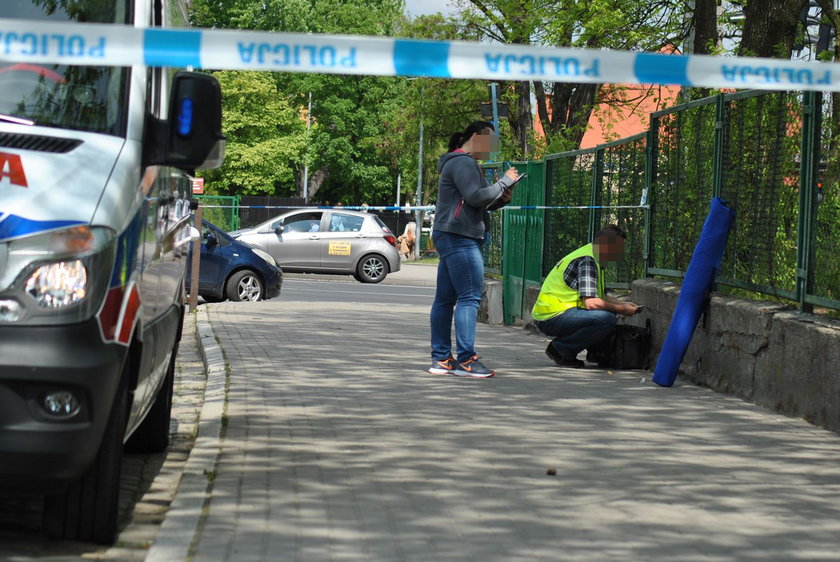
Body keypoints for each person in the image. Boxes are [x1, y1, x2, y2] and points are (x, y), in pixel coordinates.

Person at [428, 121, 519, 378]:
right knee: (469, 297)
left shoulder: (462, 163)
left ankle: (442, 359)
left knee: (445, 299)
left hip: (451, 233)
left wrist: (500, 200)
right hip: (460, 237)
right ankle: (467, 360)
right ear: (476, 137)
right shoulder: (463, 163)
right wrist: (504, 181)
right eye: (490, 142)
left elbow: (476, 203)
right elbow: (475, 197)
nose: (492, 148)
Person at [532, 224, 643, 367]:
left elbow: (600, 296)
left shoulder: (594, 257)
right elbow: (591, 303)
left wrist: (624, 304)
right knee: (606, 319)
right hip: (551, 316)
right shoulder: (588, 260)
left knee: (606, 314)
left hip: (555, 314)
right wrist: (621, 310)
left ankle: (595, 353)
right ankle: (561, 349)